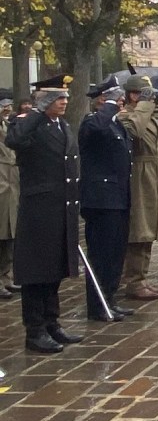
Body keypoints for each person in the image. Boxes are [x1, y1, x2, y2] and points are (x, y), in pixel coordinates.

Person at [5, 76, 83, 353]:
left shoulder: (62, 125)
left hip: (61, 208)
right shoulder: (27, 123)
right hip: (38, 210)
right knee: (36, 272)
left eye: (64, 97)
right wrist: (37, 112)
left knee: (54, 269)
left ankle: (52, 323)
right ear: (43, 100)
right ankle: (34, 330)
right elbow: (14, 139)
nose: (63, 102)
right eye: (56, 97)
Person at [78, 76, 134, 320]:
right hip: (100, 199)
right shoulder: (92, 122)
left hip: (118, 198)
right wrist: (108, 107)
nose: (121, 102)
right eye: (116, 98)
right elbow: (94, 131)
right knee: (101, 254)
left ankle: (110, 297)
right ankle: (97, 304)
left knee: (115, 252)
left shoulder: (115, 124)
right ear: (102, 99)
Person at [118, 74, 158, 300]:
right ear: (133, 95)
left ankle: (141, 277)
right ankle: (133, 280)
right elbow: (134, 132)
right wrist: (144, 105)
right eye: (145, 95)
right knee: (138, 230)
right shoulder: (126, 115)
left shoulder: (146, 115)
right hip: (138, 177)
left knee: (149, 231)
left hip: (152, 176)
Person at [0, 99, 18, 300]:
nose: (7, 109)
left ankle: (6, 277)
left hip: (12, 184)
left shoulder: (8, 125)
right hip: (2, 183)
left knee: (9, 235)